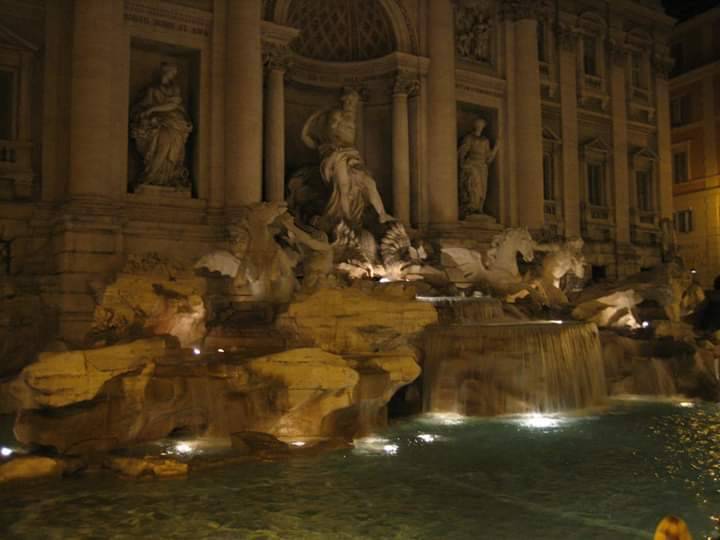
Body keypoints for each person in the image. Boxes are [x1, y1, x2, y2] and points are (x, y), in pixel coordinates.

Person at [301, 89, 393, 232]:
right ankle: (345, 218)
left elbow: (349, 138)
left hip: (351, 156)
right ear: (343, 101)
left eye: (353, 101)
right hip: (335, 156)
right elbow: (324, 133)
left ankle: (382, 215)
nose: (351, 104)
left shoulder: (351, 120)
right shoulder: (336, 115)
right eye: (349, 101)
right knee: (343, 185)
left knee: (369, 182)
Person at [130, 62, 193, 189]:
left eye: (173, 74)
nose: (172, 76)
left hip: (174, 122)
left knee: (172, 142)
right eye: (170, 73)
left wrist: (152, 110)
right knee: (162, 139)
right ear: (163, 73)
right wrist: (145, 113)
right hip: (159, 122)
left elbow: (174, 105)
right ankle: (152, 175)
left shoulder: (175, 89)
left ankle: (168, 176)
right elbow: (144, 105)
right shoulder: (152, 90)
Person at [458, 118, 499, 217]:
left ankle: (479, 208)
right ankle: (472, 207)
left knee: (482, 188)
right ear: (475, 125)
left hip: (482, 167)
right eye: (478, 124)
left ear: (484, 126)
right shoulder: (469, 138)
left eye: (481, 124)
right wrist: (462, 164)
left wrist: (496, 147)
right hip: (472, 164)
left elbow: (488, 158)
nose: (479, 126)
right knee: (474, 186)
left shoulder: (485, 141)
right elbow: (462, 151)